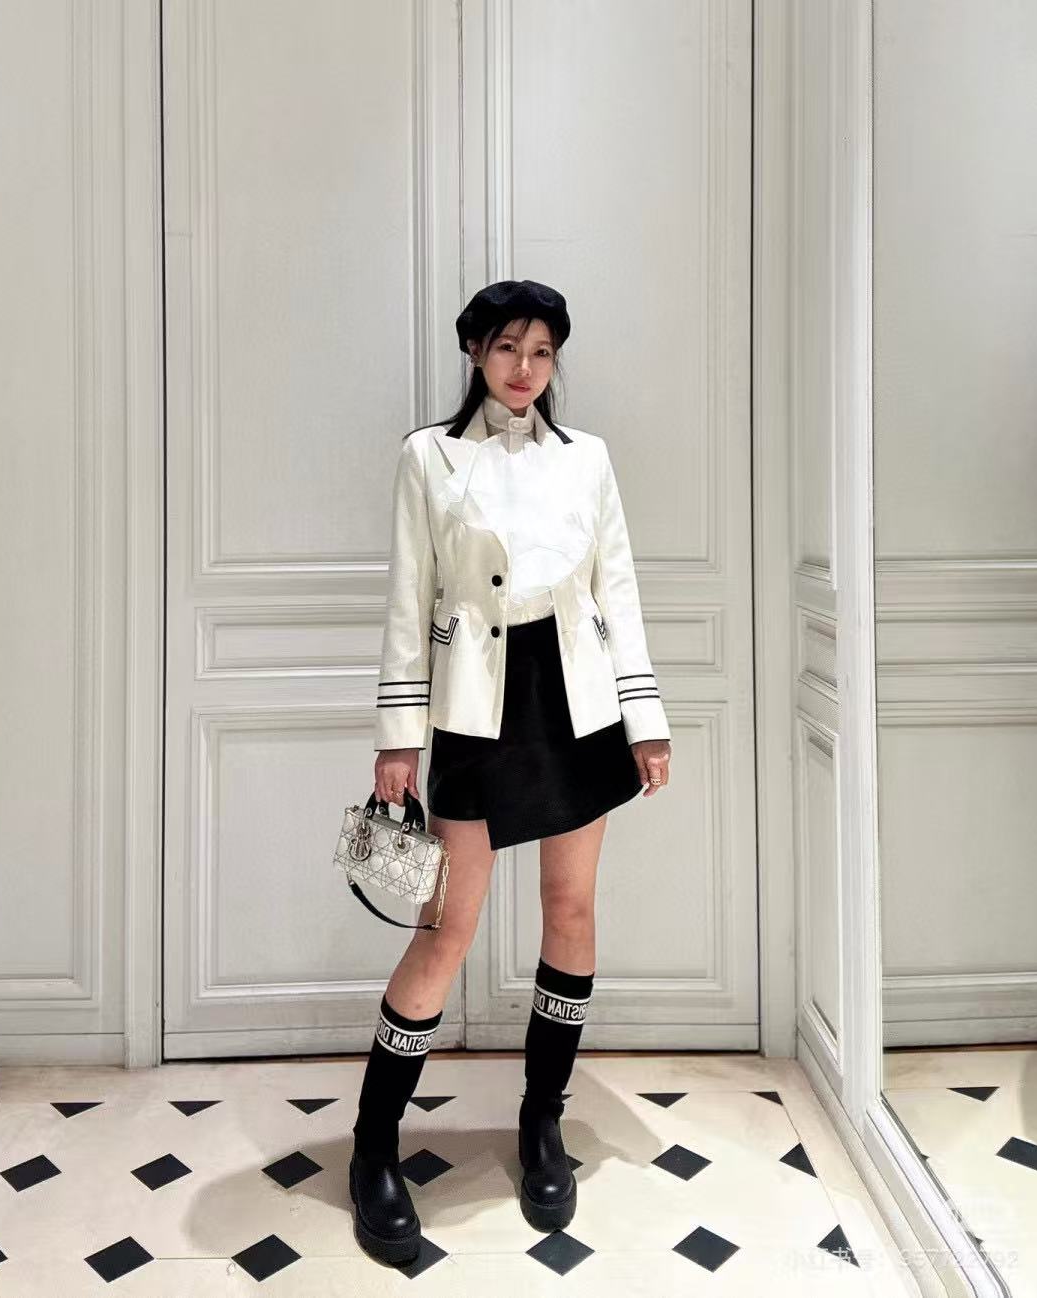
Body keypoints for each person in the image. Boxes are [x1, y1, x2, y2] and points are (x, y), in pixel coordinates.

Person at [348, 279, 673, 1266]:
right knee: (445, 930)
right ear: (476, 354)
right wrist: (398, 739)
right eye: (506, 349)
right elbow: (409, 597)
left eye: (541, 351)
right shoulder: (430, 456)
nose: (524, 368)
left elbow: (618, 585)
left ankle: (543, 1120)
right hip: (476, 709)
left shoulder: (588, 459)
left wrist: (645, 718)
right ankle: (373, 1147)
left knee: (570, 911)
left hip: (577, 703)